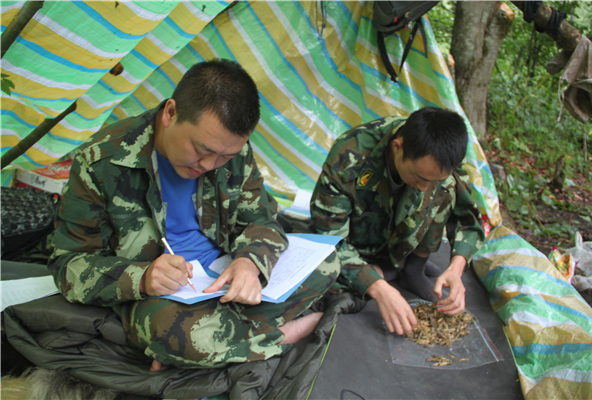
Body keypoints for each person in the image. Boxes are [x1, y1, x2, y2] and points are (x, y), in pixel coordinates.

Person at [48, 59, 340, 370]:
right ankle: (278, 335)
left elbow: (261, 220)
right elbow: (68, 264)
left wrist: (250, 262)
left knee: (329, 261)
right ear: (170, 113)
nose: (210, 164)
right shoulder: (101, 162)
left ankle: (216, 341)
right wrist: (143, 278)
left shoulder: (233, 152)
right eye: (201, 150)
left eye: (225, 156)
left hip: (223, 274)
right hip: (164, 294)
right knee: (174, 332)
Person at [310, 107, 485, 336]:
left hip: (403, 237)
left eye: (433, 180)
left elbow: (468, 218)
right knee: (323, 281)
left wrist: (456, 267)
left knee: (448, 188)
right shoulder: (349, 156)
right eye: (420, 178)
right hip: (359, 247)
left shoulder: (442, 155)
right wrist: (379, 288)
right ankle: (383, 271)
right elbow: (328, 239)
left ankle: (413, 268)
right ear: (397, 147)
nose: (425, 188)